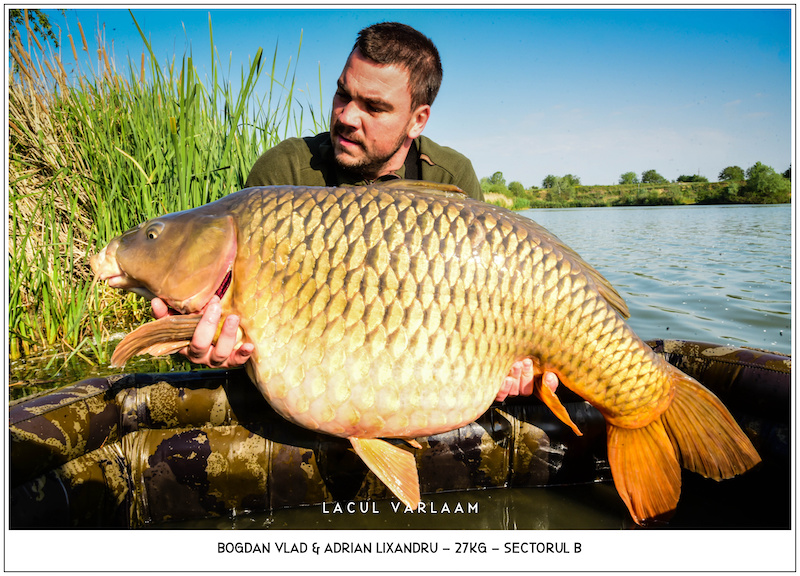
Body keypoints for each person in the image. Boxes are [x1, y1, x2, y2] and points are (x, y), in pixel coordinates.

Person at [151, 22, 558, 400]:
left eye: (374, 108)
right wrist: (206, 339)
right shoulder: (285, 172)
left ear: (418, 120)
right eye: (343, 93)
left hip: (411, 383)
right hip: (311, 388)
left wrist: (506, 365)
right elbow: (236, 311)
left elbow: (478, 310)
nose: (346, 117)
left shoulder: (452, 177)